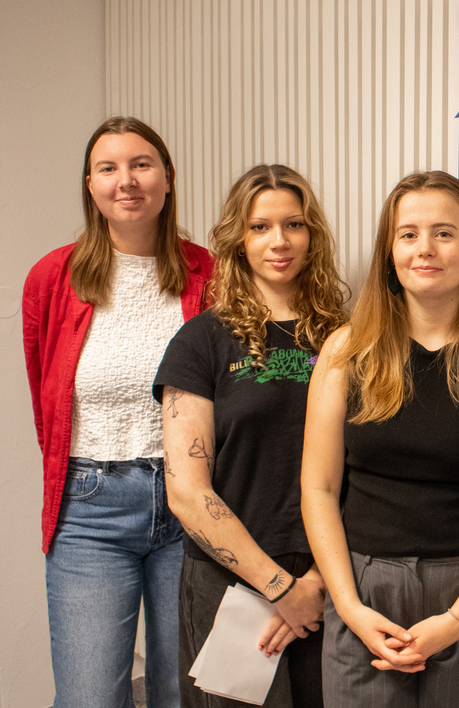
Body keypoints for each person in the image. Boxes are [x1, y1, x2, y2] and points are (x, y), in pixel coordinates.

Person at [300, 170, 459, 707]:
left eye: (444, 233)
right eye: (408, 234)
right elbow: (317, 489)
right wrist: (349, 606)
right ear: (390, 251)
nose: (424, 249)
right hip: (362, 592)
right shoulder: (345, 352)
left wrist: (457, 618)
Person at [23, 116, 214, 708]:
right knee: (89, 697)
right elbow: (46, 397)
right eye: (108, 168)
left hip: (193, 508)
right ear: (90, 184)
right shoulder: (53, 277)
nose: (126, 181)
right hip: (90, 511)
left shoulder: (209, 272)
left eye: (141, 165)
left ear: (168, 177)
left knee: (184, 692)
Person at [154, 164, 347, 707]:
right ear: (238, 240)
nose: (279, 241)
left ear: (314, 235)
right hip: (231, 582)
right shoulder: (201, 342)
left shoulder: (347, 337)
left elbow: (365, 466)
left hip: (329, 577)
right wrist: (280, 589)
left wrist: (314, 581)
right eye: (260, 227)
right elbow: (187, 492)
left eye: (294, 224)